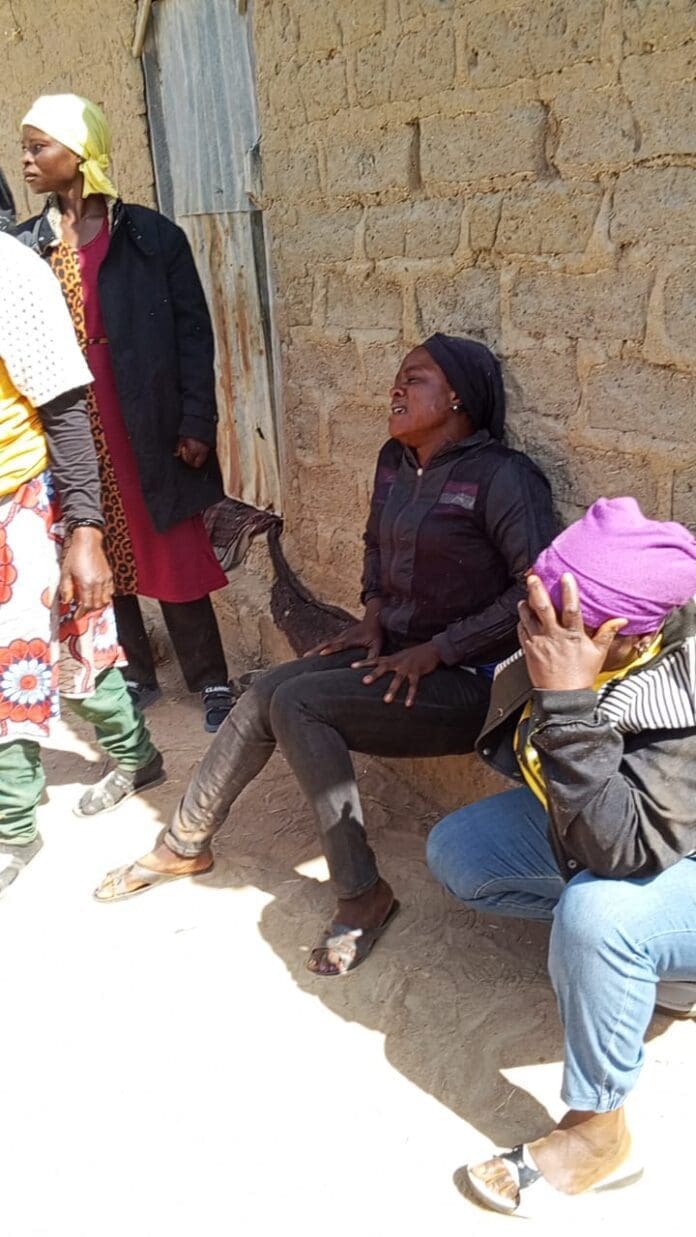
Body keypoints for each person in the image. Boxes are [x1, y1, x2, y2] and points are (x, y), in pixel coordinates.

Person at [94, 334, 557, 975]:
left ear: (457, 398)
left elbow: (535, 590)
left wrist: (440, 649)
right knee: (265, 694)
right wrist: (374, 616)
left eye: (416, 378)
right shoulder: (395, 462)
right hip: (396, 654)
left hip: (475, 684)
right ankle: (185, 842)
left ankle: (363, 896)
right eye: (398, 376)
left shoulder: (504, 478)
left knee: (301, 705)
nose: (397, 388)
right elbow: (375, 547)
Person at [426, 497, 696, 1216]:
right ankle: (644, 967)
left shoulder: (683, 692)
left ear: (626, 635)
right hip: (632, 828)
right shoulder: (598, 643)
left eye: (554, 624)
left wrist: (569, 706)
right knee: (462, 853)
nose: (535, 632)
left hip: (657, 845)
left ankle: (597, 1133)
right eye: (533, 613)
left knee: (599, 914)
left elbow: (622, 850)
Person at [16, 94, 234, 733]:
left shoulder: (150, 236)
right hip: (69, 417)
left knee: (171, 543)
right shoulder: (27, 246)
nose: (26, 159)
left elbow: (194, 333)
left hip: (145, 410)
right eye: (25, 147)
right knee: (97, 539)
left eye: (39, 147)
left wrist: (197, 420)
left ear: (80, 152)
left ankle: (212, 679)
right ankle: (137, 671)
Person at [0, 173, 163, 892]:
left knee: (37, 657)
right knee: (68, 648)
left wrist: (86, 531)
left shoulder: (10, 274)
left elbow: (66, 410)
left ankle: (13, 824)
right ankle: (137, 754)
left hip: (19, 500)